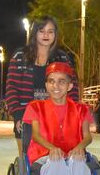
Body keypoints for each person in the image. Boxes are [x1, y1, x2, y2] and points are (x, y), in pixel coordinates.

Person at [22, 62, 96, 175]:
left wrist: (80, 147)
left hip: (72, 153)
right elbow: (36, 135)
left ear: (70, 86)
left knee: (78, 162)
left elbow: (87, 136)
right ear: (46, 84)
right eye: (51, 81)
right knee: (55, 162)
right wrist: (52, 148)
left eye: (62, 81)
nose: (56, 86)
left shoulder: (81, 109)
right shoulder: (35, 107)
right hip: (44, 155)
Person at [5, 16, 78, 155]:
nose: (46, 35)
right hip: (26, 116)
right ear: (34, 33)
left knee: (58, 158)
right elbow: (11, 88)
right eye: (41, 31)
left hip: (56, 118)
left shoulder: (63, 58)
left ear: (55, 35)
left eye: (50, 31)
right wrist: (18, 115)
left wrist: (72, 114)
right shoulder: (20, 56)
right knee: (26, 160)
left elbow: (73, 88)